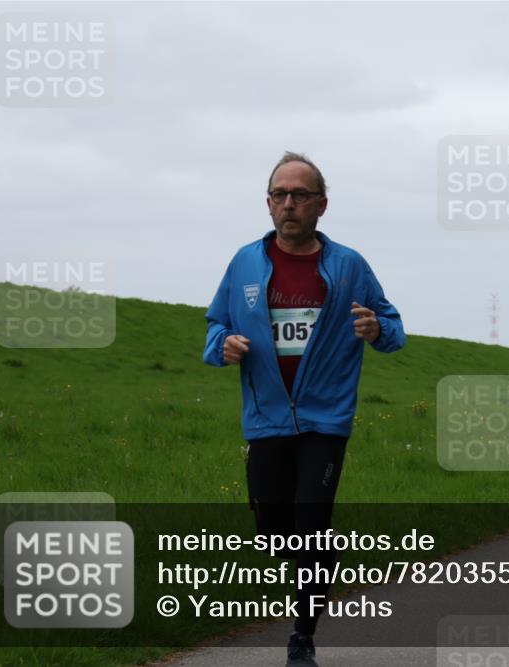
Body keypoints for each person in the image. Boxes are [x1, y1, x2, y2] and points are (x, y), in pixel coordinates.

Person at [204, 152, 406, 667]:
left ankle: (302, 636)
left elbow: (392, 327)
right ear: (268, 203)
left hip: (326, 419)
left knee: (310, 523)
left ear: (321, 205)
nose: (288, 204)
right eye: (279, 194)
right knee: (274, 531)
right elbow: (215, 325)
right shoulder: (245, 262)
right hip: (266, 418)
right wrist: (223, 344)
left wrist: (377, 329)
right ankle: (322, 558)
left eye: (299, 195)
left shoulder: (349, 265)